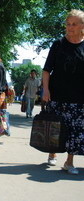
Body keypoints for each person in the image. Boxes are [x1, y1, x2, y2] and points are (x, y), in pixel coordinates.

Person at [43, 9, 84, 175]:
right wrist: (45, 89)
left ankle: (69, 161)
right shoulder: (58, 44)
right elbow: (46, 70)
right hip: (57, 94)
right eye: (68, 24)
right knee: (56, 127)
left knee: (74, 130)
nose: (70, 27)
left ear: (82, 26)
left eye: (74, 24)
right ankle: (52, 152)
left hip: (79, 96)